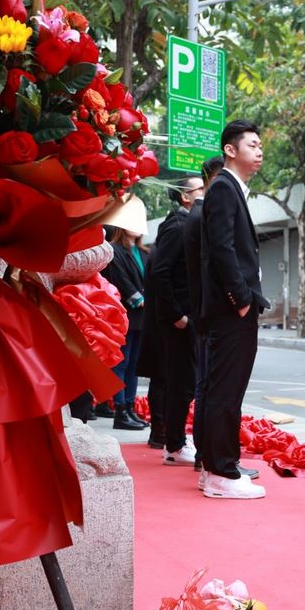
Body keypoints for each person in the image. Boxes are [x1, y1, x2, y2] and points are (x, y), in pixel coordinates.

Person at [199, 120, 270, 499]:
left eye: (261, 145)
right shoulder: (225, 188)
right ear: (230, 150)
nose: (260, 151)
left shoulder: (230, 189)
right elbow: (222, 250)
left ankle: (215, 467)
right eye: (253, 144)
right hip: (232, 310)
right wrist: (240, 299)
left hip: (231, 308)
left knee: (219, 389)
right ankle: (221, 474)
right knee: (226, 390)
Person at [147, 176, 205, 467]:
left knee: (184, 382)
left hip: (185, 317)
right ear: (185, 197)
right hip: (178, 320)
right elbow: (161, 273)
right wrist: (177, 315)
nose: (206, 193)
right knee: (179, 383)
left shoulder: (187, 225)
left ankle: (176, 440)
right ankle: (174, 444)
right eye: (201, 189)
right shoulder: (177, 226)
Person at [184, 155, 226, 472]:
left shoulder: (203, 213)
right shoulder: (205, 214)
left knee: (207, 384)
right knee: (209, 385)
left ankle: (206, 456)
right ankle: (208, 457)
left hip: (204, 311)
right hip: (209, 312)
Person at [102, 223, 149, 431]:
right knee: (122, 362)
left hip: (144, 317)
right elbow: (120, 281)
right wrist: (141, 300)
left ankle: (130, 408)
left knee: (135, 364)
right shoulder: (114, 250)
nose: (137, 226)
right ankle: (120, 410)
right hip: (126, 314)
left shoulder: (144, 252)